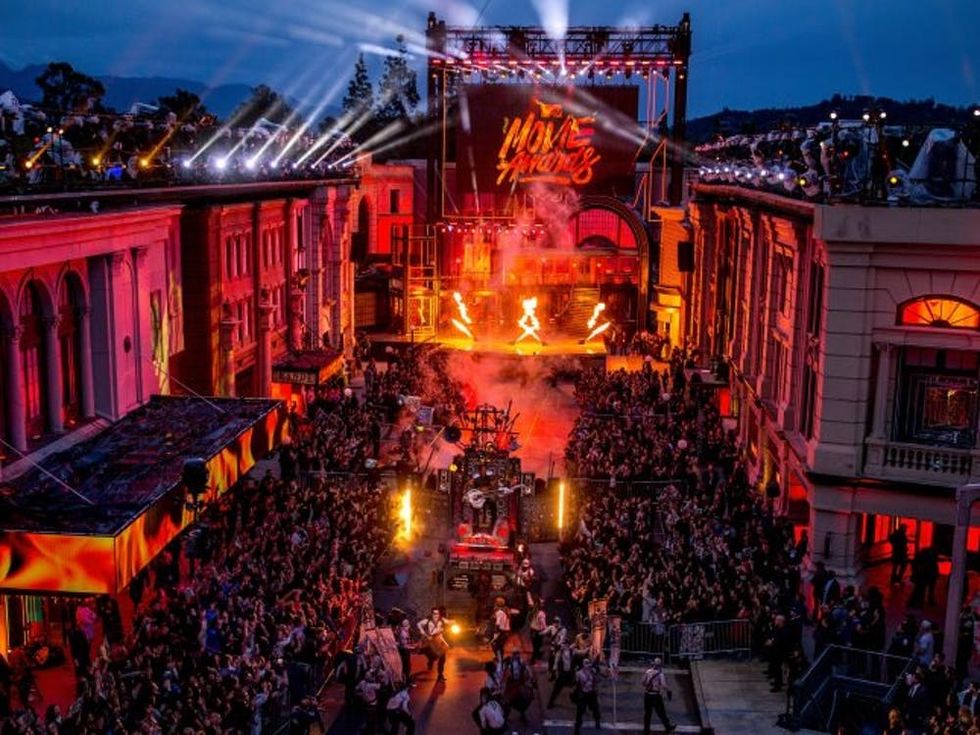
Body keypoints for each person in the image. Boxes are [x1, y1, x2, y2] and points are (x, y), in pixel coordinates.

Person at [642, 657, 676, 734]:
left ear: (653, 664)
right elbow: (664, 685)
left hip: (647, 695)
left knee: (647, 713)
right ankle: (668, 727)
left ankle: (646, 729)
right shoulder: (660, 674)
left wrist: (648, 685)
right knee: (661, 712)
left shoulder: (648, 672)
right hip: (656, 696)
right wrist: (668, 691)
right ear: (660, 665)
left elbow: (643, 682)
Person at [502, 649, 535, 723]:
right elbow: (505, 673)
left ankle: (522, 715)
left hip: (520, 683)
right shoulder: (509, 663)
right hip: (512, 684)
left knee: (524, 699)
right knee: (508, 701)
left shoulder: (521, 661)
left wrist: (531, 677)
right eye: (515, 654)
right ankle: (505, 717)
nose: (516, 655)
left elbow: (528, 668)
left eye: (517, 654)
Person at [417, 607, 450, 682]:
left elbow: (445, 628)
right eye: (442, 612)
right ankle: (430, 660)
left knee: (442, 658)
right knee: (432, 655)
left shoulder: (443, 619)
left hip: (440, 641)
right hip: (432, 641)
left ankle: (440, 675)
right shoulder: (429, 619)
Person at [573, 657, 601, 735]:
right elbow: (576, 682)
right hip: (583, 694)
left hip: (591, 693)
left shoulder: (592, 672)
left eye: (589, 663)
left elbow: (597, 681)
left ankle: (597, 721)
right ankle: (577, 728)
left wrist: (595, 673)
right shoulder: (579, 673)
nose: (588, 665)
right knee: (580, 711)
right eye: (586, 663)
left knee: (595, 708)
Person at [396, 618, 415, 684]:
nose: (408, 627)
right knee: (406, 666)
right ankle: (406, 680)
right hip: (404, 651)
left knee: (406, 665)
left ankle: (406, 679)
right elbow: (404, 645)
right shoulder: (403, 633)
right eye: (406, 626)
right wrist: (412, 647)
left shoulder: (404, 632)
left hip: (405, 650)